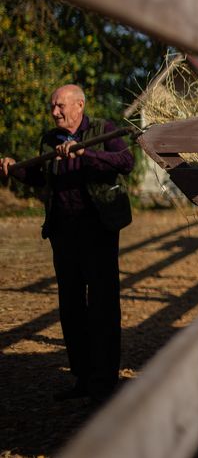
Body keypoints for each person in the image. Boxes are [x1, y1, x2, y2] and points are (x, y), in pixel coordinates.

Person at [1, 84, 133, 404]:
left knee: (102, 306)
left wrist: (85, 153)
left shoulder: (103, 130)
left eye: (60, 106)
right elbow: (40, 177)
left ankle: (104, 382)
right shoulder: (50, 140)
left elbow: (124, 162)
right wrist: (15, 169)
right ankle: (83, 379)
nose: (54, 112)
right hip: (64, 232)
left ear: (79, 105)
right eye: (53, 106)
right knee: (71, 308)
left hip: (98, 229)